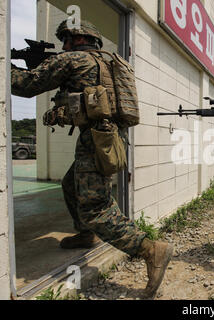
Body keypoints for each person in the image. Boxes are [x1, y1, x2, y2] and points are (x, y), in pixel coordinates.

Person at [10, 20, 173, 298]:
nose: (62, 46)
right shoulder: (108, 61)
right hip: (110, 136)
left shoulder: (72, 59)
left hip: (95, 139)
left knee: (95, 208)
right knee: (71, 184)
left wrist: (7, 66)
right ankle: (86, 234)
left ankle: (150, 249)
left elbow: (26, 85)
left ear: (77, 39)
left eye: (66, 40)